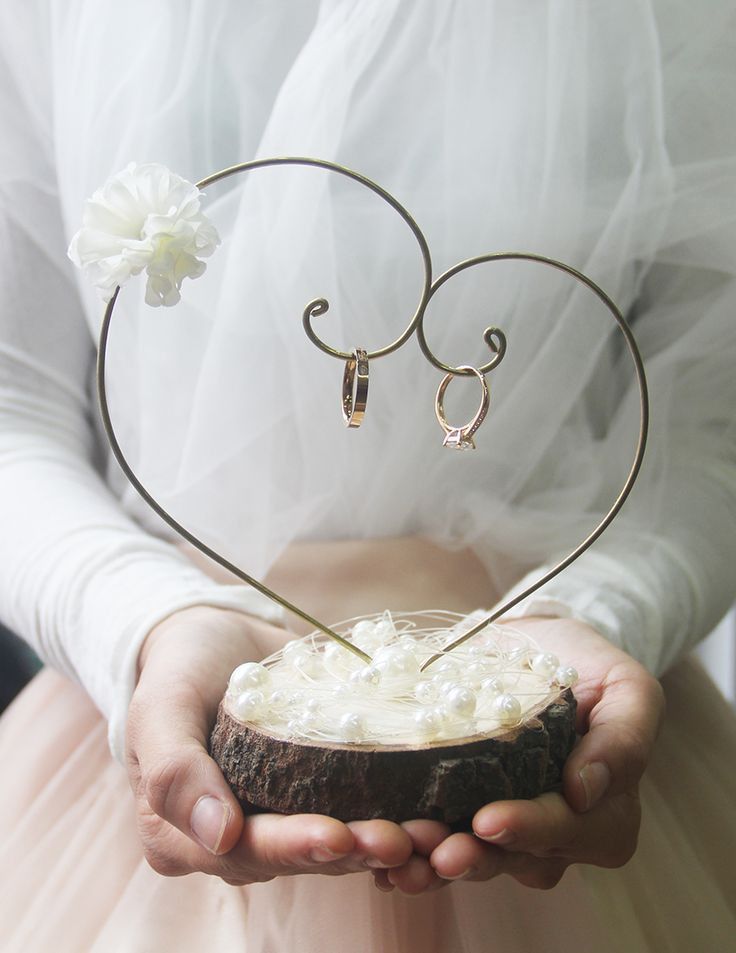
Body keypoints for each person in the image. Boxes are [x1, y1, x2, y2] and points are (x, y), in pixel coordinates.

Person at [0, 1, 735, 950]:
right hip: (145, 709)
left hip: (568, 716)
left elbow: (706, 429)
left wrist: (607, 609)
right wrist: (144, 620)